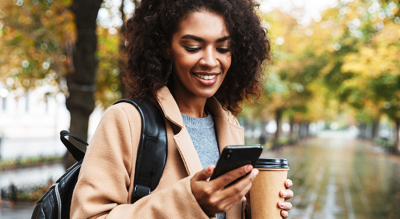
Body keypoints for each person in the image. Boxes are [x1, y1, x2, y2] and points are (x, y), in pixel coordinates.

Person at [71, 0, 294, 218]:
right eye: (193, 47)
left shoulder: (230, 126)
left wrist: (254, 208)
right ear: (166, 46)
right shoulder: (126, 120)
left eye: (223, 48)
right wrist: (190, 202)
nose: (210, 60)